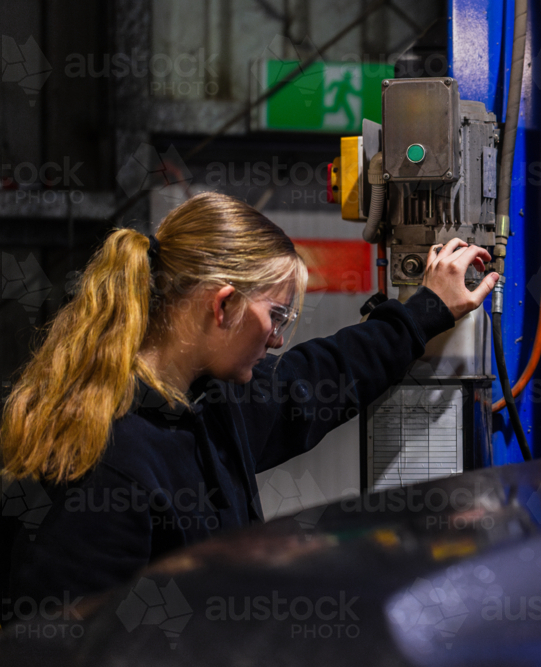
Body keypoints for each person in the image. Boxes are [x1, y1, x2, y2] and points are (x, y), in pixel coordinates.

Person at [1, 192, 498, 602]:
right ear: (222, 305)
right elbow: (69, 644)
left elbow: (315, 382)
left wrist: (425, 312)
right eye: (277, 316)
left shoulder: (206, 405)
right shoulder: (111, 461)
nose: (278, 339)